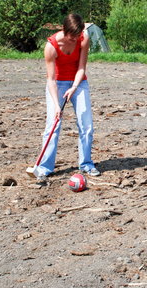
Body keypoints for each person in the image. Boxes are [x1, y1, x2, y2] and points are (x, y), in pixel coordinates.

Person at [36, 13, 100, 180]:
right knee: (53, 124)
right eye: (72, 37)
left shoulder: (83, 39)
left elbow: (81, 68)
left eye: (77, 37)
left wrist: (74, 87)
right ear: (63, 29)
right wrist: (57, 105)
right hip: (57, 83)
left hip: (78, 82)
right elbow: (50, 79)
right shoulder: (51, 47)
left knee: (87, 125)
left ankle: (86, 164)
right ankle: (44, 168)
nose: (75, 41)